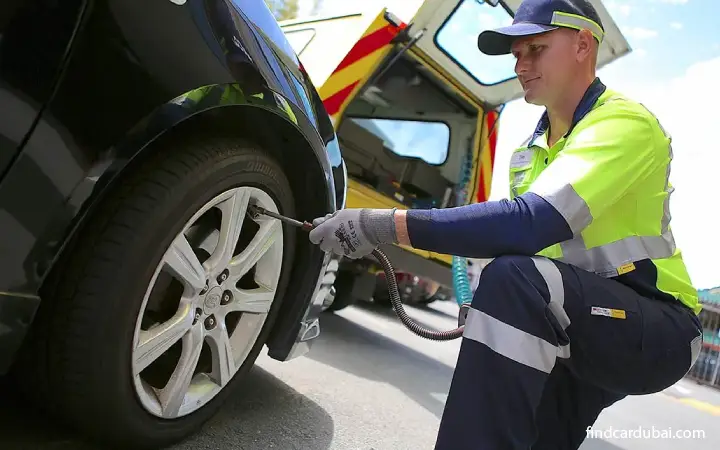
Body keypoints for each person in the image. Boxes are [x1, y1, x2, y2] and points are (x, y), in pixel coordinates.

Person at [309, 0, 704, 448]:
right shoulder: (530, 153)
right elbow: (526, 245)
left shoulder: (622, 123)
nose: (522, 64)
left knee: (515, 281)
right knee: (539, 434)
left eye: (536, 48)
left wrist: (382, 224)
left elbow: (530, 224)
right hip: (580, 314)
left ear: (582, 45)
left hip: (658, 324)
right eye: (517, 55)